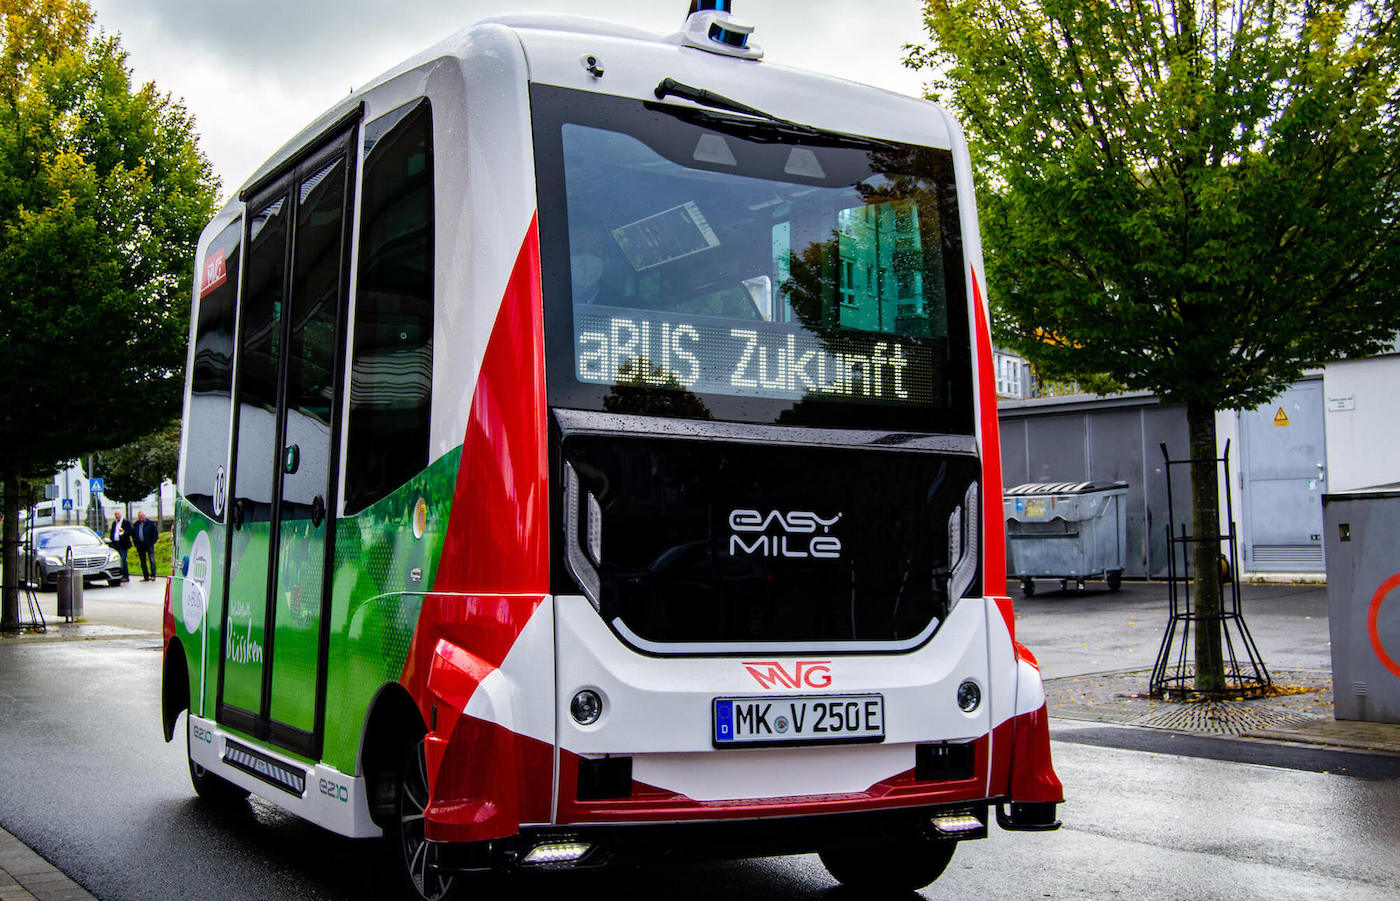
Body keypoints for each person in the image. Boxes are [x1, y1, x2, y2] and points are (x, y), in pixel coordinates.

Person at [132, 511, 158, 582]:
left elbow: (155, 533)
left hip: (149, 544)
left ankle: (153, 575)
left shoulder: (150, 523)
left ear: (144, 516)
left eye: (142, 516)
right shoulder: (136, 524)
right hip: (140, 545)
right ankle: (145, 576)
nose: (141, 517)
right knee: (143, 561)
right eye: (140, 516)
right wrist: (135, 543)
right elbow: (133, 534)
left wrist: (152, 542)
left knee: (151, 560)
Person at [107, 510, 133, 583]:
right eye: (116, 514)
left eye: (118, 514)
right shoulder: (114, 523)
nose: (117, 516)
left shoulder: (125, 522)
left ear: (121, 515)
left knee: (123, 559)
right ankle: (119, 575)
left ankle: (126, 576)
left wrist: (123, 532)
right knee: (116, 560)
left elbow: (130, 532)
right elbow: (112, 532)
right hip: (116, 544)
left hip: (123, 544)